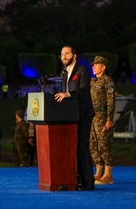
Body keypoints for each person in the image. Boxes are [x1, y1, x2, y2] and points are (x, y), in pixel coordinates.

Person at [54, 45, 95, 191]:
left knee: (82, 147)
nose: (64, 56)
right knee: (72, 147)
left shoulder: (82, 70)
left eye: (67, 53)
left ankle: (88, 182)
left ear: (74, 55)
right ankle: (74, 180)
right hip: (70, 115)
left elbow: (83, 91)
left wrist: (68, 94)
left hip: (83, 114)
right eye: (62, 54)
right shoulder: (64, 72)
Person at [89, 56, 116, 185]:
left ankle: (108, 173)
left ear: (103, 67)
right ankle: (99, 170)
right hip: (93, 116)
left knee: (104, 144)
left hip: (102, 116)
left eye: (96, 65)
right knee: (93, 144)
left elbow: (111, 101)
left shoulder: (107, 81)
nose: (93, 67)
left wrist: (109, 119)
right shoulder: (93, 81)